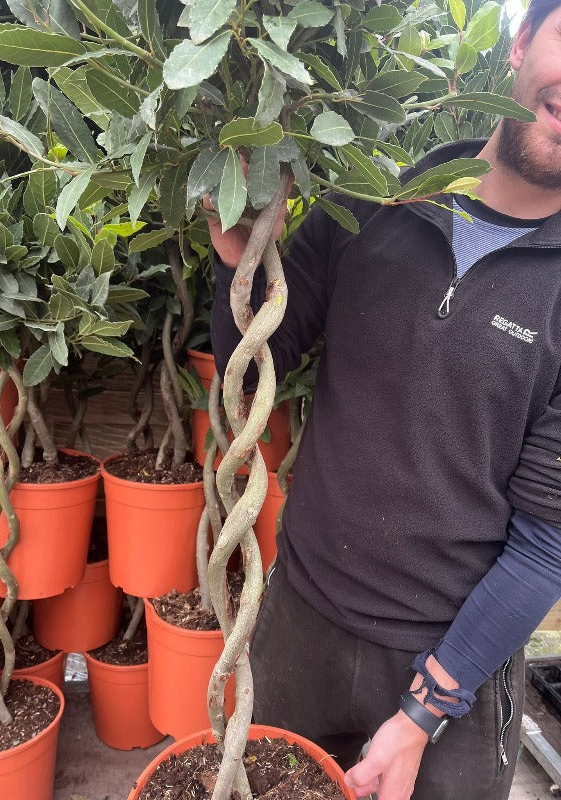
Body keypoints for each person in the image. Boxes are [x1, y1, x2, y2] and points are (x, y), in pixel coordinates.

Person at [208, 1, 561, 797]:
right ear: (519, 43)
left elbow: (547, 545)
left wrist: (421, 714)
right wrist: (239, 267)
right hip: (299, 623)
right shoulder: (369, 202)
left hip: (454, 672)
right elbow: (257, 370)